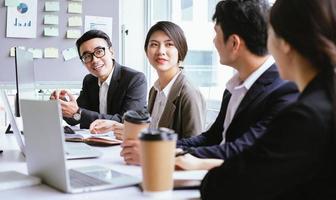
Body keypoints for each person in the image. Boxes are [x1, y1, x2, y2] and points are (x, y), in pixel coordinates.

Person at [200, 0, 336, 199]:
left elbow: (223, 184)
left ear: (285, 43)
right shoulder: (323, 100)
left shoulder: (305, 115)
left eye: (269, 32)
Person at [174, 0, 299, 170]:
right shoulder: (233, 88)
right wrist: (164, 145)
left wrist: (167, 154)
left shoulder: (283, 91)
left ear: (234, 43)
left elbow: (243, 149)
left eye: (216, 33)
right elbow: (212, 137)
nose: (213, 41)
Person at [90, 21, 206, 165]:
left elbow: (194, 150)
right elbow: (153, 133)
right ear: (146, 52)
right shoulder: (155, 90)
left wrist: (149, 153)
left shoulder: (189, 93)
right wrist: (117, 127)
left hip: (169, 174)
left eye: (169, 44)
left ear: (180, 50)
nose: (161, 51)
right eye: (154, 44)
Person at [50, 30, 147, 129]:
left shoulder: (135, 79)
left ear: (111, 52)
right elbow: (76, 117)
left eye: (99, 51)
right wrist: (63, 105)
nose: (95, 60)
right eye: (87, 56)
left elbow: (127, 121)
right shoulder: (89, 80)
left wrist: (78, 112)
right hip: (94, 140)